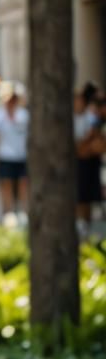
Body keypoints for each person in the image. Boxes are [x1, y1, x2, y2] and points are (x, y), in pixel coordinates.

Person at [0, 81, 30, 223]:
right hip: (5, 156)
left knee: (23, 184)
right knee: (6, 185)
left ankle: (23, 213)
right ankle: (7, 213)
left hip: (22, 156)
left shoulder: (24, 115)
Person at [75, 82, 103, 241]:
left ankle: (86, 225)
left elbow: (94, 140)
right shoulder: (72, 118)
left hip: (89, 162)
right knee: (79, 195)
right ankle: (81, 224)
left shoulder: (92, 117)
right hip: (78, 162)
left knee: (87, 196)